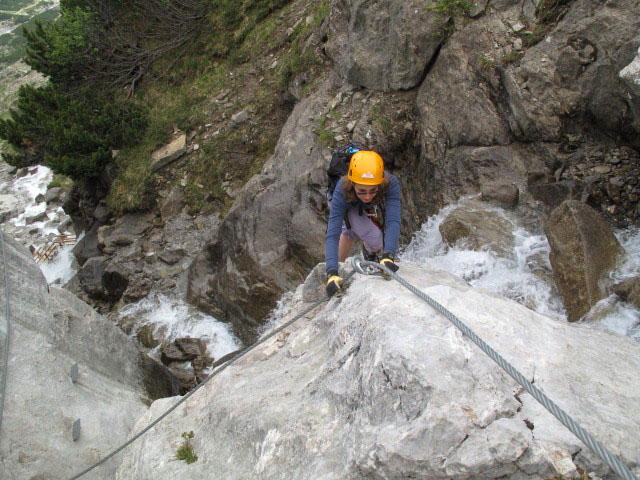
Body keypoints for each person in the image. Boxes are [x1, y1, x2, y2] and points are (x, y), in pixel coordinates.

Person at [325, 150, 401, 297]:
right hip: (344, 199)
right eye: (362, 191)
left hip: (359, 202)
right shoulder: (342, 188)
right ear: (352, 182)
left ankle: (368, 254)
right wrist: (331, 272)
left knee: (351, 232)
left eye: (373, 190)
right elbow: (332, 234)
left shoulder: (391, 183)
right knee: (373, 238)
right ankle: (334, 276)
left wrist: (389, 255)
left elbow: (393, 221)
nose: (367, 196)